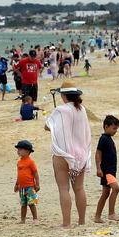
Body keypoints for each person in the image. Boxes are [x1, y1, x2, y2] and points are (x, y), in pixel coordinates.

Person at [44, 80, 91, 228]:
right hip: (81, 153)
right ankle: (82, 221)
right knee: (79, 188)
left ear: (64, 95)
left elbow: (47, 126)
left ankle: (66, 223)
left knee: (64, 189)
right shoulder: (81, 109)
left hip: (63, 153)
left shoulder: (60, 110)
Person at [94, 115, 119, 223]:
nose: (115, 131)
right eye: (114, 128)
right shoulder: (103, 139)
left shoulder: (109, 139)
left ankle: (97, 217)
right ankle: (111, 213)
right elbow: (98, 153)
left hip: (111, 171)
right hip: (107, 171)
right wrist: (98, 168)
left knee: (105, 193)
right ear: (106, 127)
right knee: (116, 189)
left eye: (116, 129)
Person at [14, 140, 39, 224]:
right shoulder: (19, 162)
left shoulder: (31, 162)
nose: (18, 151)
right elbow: (19, 174)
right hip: (22, 187)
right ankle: (23, 219)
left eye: (20, 149)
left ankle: (35, 219)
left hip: (30, 186)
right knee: (23, 204)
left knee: (31, 203)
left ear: (27, 151)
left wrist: (37, 184)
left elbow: (35, 173)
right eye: (18, 149)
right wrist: (17, 184)